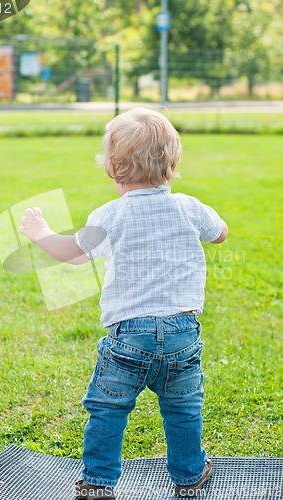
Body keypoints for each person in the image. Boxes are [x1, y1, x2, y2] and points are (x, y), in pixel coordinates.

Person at [18, 107, 228, 499]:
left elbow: (74, 254)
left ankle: (98, 482)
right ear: (173, 162)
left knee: (108, 410)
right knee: (182, 409)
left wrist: (41, 232)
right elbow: (220, 234)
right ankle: (189, 475)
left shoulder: (110, 215)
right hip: (183, 332)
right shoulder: (189, 207)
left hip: (128, 336)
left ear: (112, 168)